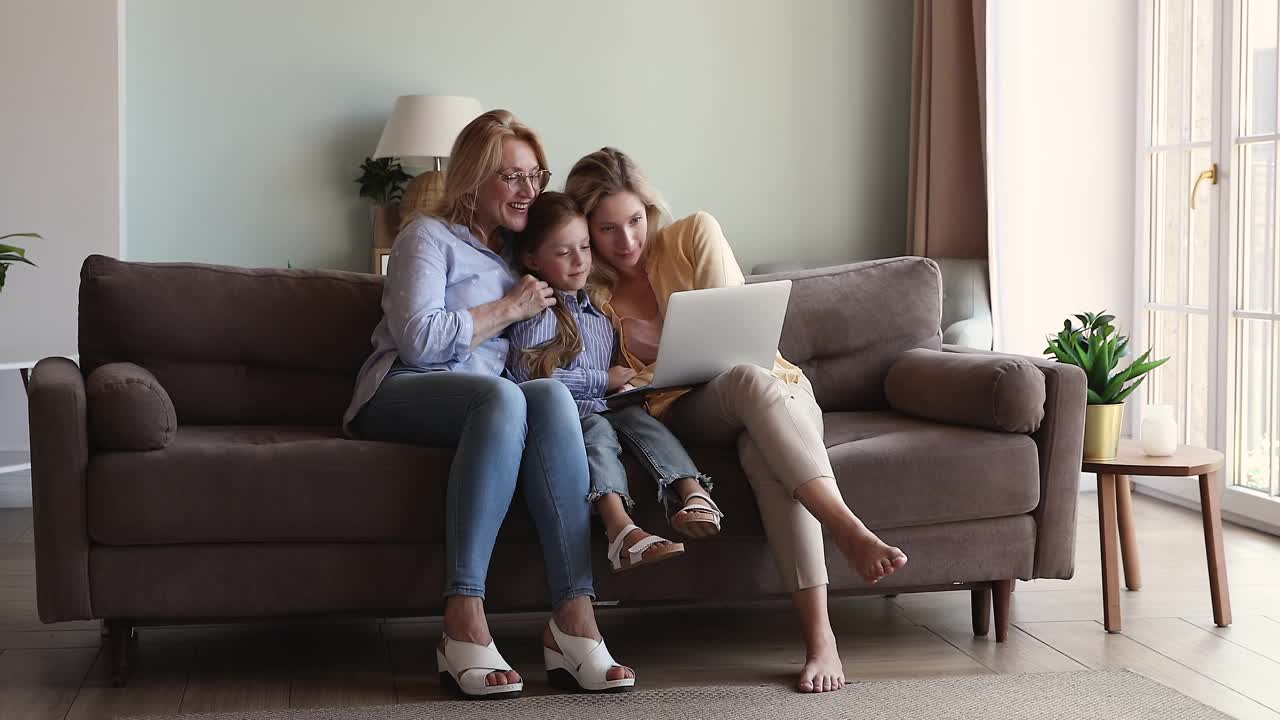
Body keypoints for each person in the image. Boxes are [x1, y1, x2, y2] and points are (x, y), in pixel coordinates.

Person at [563, 147, 909, 694]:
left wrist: (650, 365)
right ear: (585, 228)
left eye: (635, 220)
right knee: (747, 385)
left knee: (759, 439)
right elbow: (617, 390)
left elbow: (739, 342)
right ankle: (847, 528)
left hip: (775, 394)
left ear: (650, 209)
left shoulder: (693, 235)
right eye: (607, 229)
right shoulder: (588, 291)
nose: (627, 241)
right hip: (690, 414)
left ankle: (821, 640)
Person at [343, 113, 635, 698]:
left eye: (536, 176)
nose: (530, 191)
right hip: (401, 389)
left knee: (546, 395)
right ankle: (462, 621)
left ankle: (574, 620)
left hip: (489, 403)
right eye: (512, 177)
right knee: (502, 397)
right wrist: (508, 309)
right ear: (473, 179)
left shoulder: (519, 253)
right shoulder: (424, 237)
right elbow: (419, 340)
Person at [505, 191, 709, 574]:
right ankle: (620, 530)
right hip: (564, 417)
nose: (580, 260)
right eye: (564, 252)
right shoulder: (537, 311)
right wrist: (604, 380)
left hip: (607, 407)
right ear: (533, 259)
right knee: (598, 433)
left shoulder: (600, 315)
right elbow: (529, 377)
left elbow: (615, 377)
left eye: (584, 246)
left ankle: (692, 492)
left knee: (643, 421)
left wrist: (622, 388)